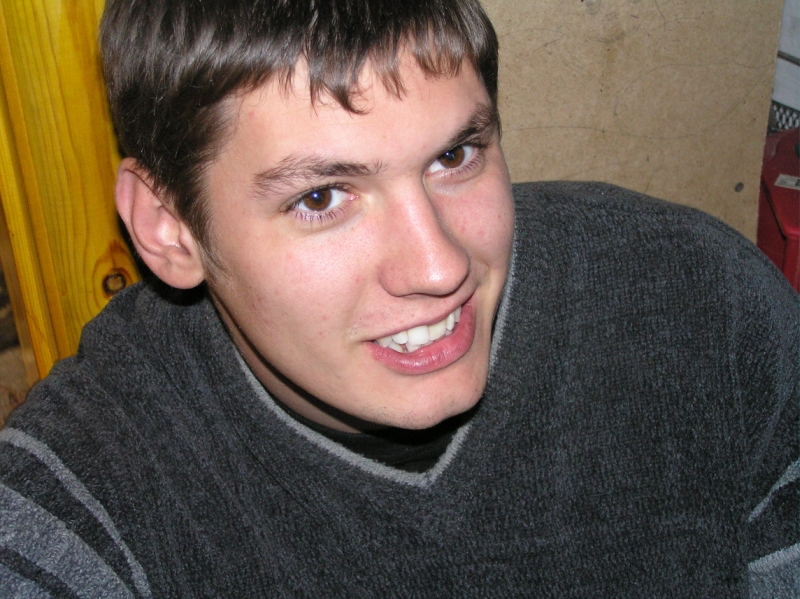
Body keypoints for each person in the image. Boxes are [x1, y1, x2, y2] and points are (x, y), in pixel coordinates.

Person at [0, 0, 797, 596]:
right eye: (321, 198)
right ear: (169, 229)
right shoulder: (96, 484)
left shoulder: (704, 310)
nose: (439, 266)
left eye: (455, 155)